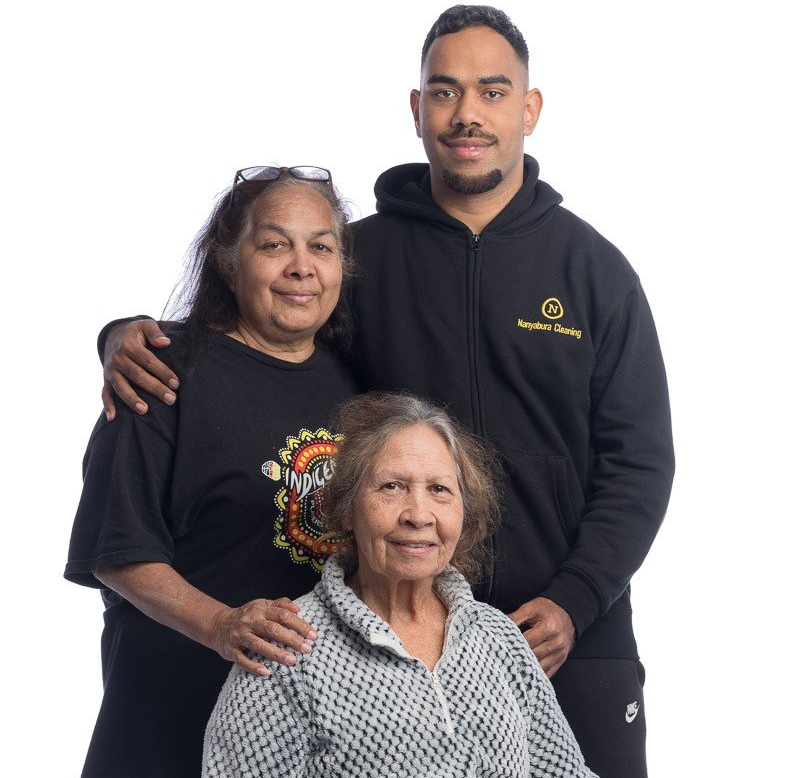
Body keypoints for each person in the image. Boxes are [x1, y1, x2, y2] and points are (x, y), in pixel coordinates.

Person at [97, 7, 675, 775]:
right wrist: (126, 333)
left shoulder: (595, 273)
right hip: (388, 637)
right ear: (417, 108)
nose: (467, 113)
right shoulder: (362, 256)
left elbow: (640, 464)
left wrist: (578, 598)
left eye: (493, 92)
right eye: (445, 91)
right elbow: (265, 331)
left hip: (574, 634)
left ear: (530, 109)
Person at [64, 166, 360, 778]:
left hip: (301, 733)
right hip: (169, 723)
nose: (301, 266)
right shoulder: (161, 370)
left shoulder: (358, 387)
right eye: (274, 244)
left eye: (321, 246)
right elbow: (117, 552)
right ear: (229, 261)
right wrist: (222, 625)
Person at [203, 391, 598, 778]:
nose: (418, 514)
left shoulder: (499, 638)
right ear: (345, 509)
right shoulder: (286, 647)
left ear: (464, 514)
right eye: (392, 486)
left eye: (439, 490)